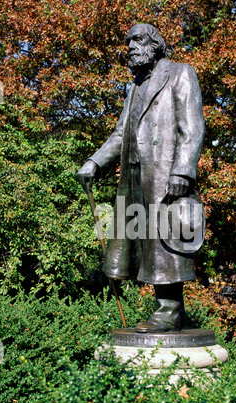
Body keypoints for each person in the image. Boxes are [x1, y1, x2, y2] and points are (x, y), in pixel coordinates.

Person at [77, 23, 205, 333]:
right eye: (128, 42)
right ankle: (163, 308)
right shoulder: (133, 87)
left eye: (138, 40)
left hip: (165, 174)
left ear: (155, 44)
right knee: (143, 241)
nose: (131, 47)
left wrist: (182, 170)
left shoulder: (180, 73)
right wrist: (95, 162)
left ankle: (170, 310)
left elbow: (193, 126)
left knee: (167, 241)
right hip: (135, 176)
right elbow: (121, 133)